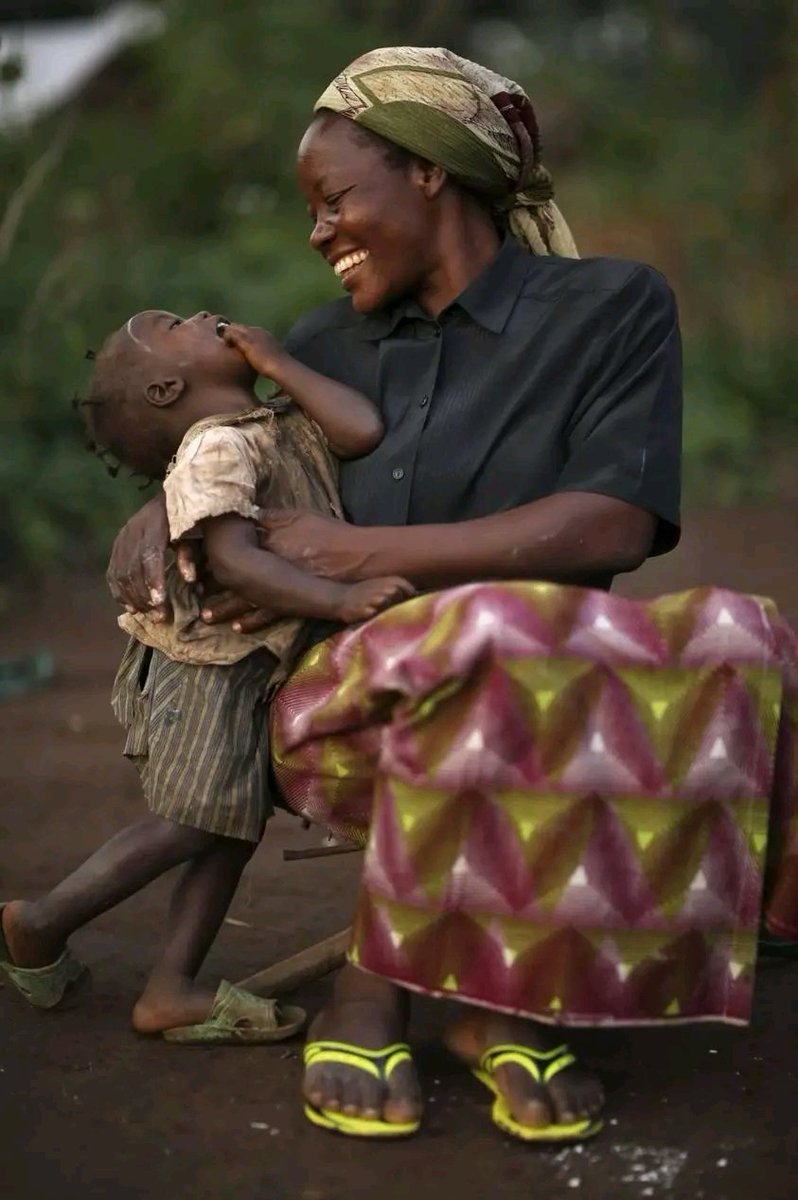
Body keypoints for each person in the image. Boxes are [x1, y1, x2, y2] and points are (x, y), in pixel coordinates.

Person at [104, 47, 797, 1143]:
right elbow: (215, 453)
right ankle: (398, 987)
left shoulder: (611, 307)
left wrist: (356, 546)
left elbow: (611, 523)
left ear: (428, 171)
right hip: (350, 706)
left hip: (560, 689)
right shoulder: (328, 351)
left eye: (335, 200)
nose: (319, 233)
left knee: (743, 632)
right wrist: (164, 507)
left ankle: (507, 983)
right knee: (483, 624)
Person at [0, 307, 412, 1042]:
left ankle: (169, 989)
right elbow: (235, 561)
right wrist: (343, 598)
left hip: (247, 668)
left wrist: (280, 362)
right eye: (175, 323)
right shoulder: (214, 451)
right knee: (190, 823)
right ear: (164, 387)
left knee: (229, 828)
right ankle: (38, 922)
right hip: (205, 671)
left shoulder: (277, 421)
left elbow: (361, 431)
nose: (202, 314)